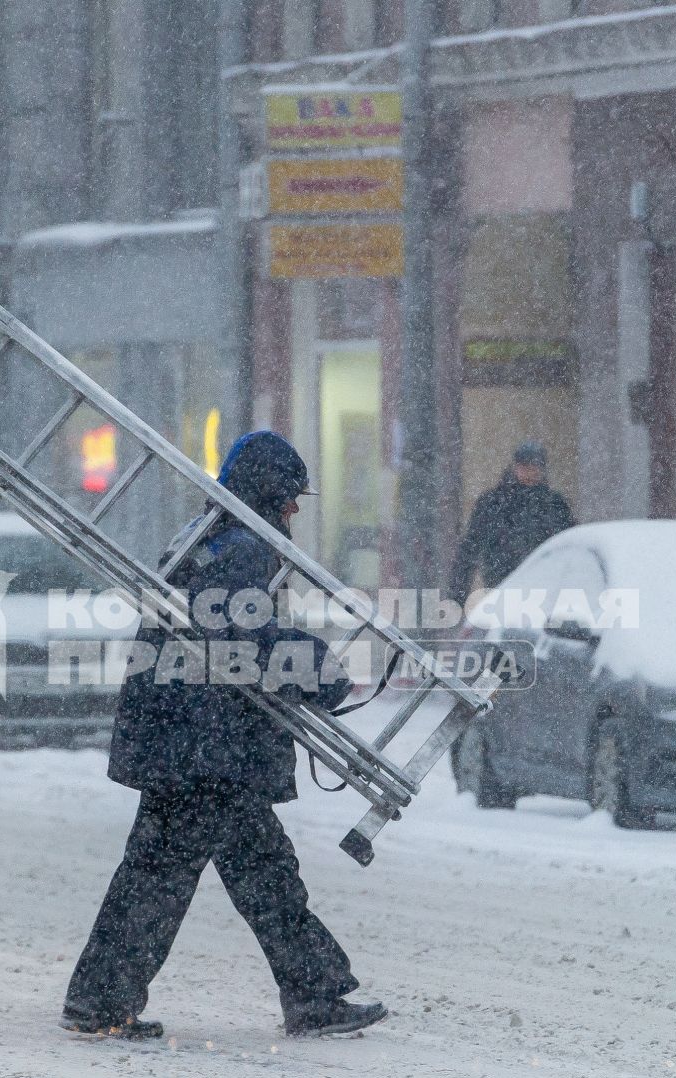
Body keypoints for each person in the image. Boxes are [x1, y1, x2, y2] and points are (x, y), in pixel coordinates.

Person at [62, 430, 387, 1040]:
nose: (294, 508)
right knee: (176, 878)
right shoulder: (242, 549)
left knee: (253, 872)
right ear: (267, 492)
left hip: (189, 738)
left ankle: (311, 993)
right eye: (291, 496)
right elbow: (243, 640)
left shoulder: (207, 537)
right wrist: (320, 669)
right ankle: (102, 1002)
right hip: (204, 747)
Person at [449, 441, 574, 602]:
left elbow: (568, 546)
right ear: (515, 466)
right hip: (502, 588)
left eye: (535, 467)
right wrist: (456, 597)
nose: (531, 472)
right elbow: (469, 548)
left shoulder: (555, 505)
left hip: (545, 591)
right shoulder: (493, 503)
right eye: (525, 466)